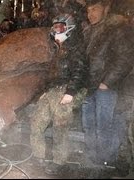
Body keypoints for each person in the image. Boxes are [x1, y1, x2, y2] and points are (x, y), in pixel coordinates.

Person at [29, 13, 87, 175]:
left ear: (69, 28)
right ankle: (38, 156)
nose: (56, 31)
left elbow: (80, 70)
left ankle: (59, 162)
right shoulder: (55, 48)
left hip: (66, 88)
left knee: (60, 128)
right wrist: (44, 92)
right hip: (52, 90)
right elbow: (49, 74)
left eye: (60, 27)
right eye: (54, 27)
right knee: (37, 122)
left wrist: (70, 92)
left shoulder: (75, 48)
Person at [82, 0, 134, 169]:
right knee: (89, 123)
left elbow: (125, 59)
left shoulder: (118, 29)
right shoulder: (89, 30)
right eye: (88, 10)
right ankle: (94, 157)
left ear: (106, 8)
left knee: (104, 125)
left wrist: (106, 82)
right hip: (89, 85)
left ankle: (106, 159)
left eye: (95, 9)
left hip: (105, 88)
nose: (91, 14)